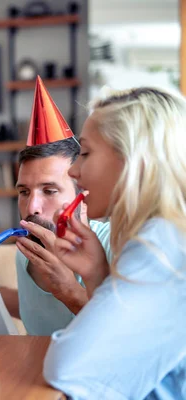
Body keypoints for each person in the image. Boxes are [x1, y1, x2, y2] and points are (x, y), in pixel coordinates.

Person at [43, 87, 186, 399]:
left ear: (133, 160)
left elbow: (68, 368)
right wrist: (96, 274)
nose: (73, 169)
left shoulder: (160, 244)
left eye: (86, 153)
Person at [0, 77, 111, 335]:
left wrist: (69, 291)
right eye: (24, 192)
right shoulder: (25, 254)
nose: (33, 207)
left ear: (82, 195)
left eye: (49, 191)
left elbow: (126, 343)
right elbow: (38, 313)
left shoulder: (115, 248)